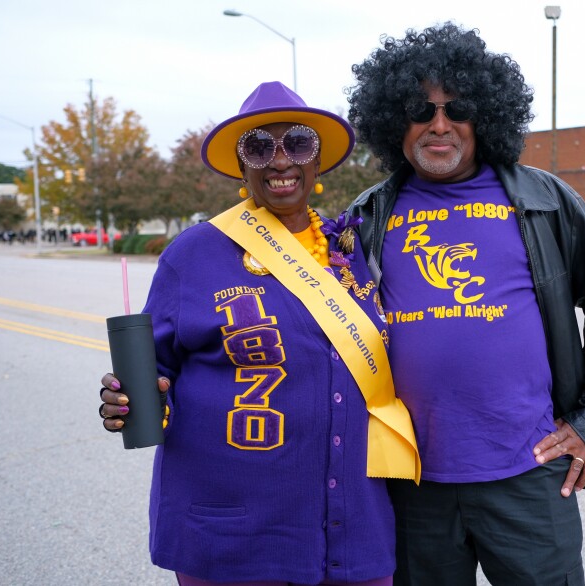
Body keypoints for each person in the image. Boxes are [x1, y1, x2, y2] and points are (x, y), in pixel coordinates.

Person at [345, 23, 585, 585]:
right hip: (413, 486)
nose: (439, 124)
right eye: (421, 108)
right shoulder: (367, 216)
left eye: (456, 107)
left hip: (530, 478)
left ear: (483, 114)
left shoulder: (545, 201)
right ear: (395, 121)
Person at [98, 81, 420, 586]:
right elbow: (152, 373)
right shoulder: (194, 254)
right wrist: (133, 402)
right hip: (236, 533)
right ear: (241, 165)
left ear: (318, 164)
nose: (280, 161)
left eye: (297, 143)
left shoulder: (351, 250)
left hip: (353, 523)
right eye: (258, 147)